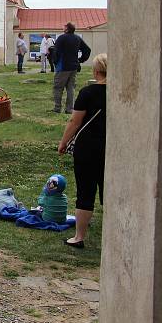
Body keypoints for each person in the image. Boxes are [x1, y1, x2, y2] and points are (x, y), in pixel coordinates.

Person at [58, 53, 107, 248]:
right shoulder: (120, 91)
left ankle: (79, 237)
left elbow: (74, 121)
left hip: (87, 146)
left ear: (96, 71)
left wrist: (63, 142)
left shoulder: (88, 93)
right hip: (111, 146)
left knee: (85, 191)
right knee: (109, 191)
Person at [52, 22, 92, 113]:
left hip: (62, 67)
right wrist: (80, 60)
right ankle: (69, 109)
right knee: (71, 88)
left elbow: (56, 52)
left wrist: (55, 62)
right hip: (74, 67)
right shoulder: (77, 38)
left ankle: (57, 108)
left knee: (58, 87)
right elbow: (87, 50)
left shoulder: (61, 38)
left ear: (67, 29)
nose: (63, 28)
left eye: (64, 26)